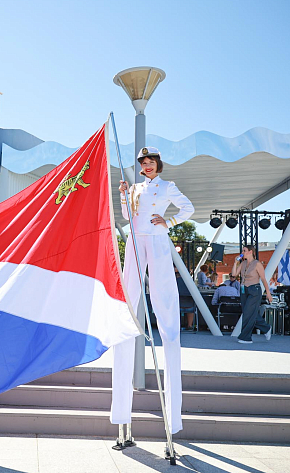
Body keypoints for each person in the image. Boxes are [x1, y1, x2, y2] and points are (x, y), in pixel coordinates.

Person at [115, 146, 194, 435]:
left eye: (151, 163)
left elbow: (189, 208)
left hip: (158, 239)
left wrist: (169, 221)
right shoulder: (134, 187)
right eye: (143, 163)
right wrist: (124, 194)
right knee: (129, 295)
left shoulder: (168, 186)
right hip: (136, 240)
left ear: (158, 164)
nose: (147, 166)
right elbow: (126, 214)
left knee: (163, 295)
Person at [231, 245, 273, 344]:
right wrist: (235, 263)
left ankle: (246, 338)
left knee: (248, 312)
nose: (242, 252)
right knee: (247, 313)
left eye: (244, 250)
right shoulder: (243, 263)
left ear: (250, 252)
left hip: (254, 289)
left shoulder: (257, 264)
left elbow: (263, 279)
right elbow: (234, 274)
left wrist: (268, 293)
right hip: (244, 290)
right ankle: (266, 328)